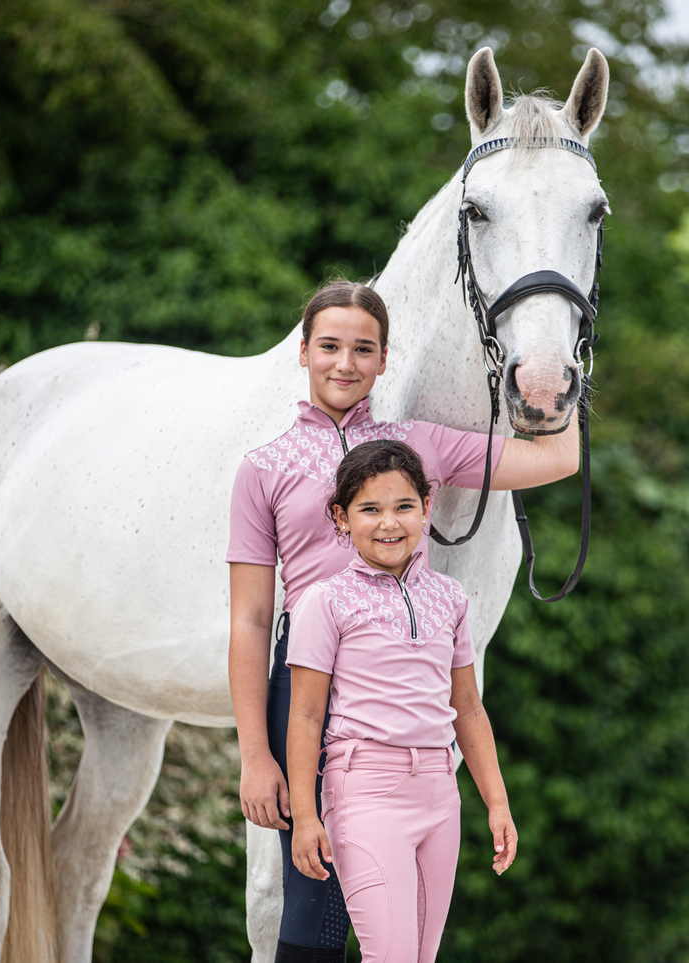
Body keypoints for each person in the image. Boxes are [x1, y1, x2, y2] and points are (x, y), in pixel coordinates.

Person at [226, 280, 574, 962]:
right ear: (302, 352)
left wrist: (562, 359)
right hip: (307, 690)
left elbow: (559, 458)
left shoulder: (417, 447)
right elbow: (249, 618)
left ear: (384, 359)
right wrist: (253, 755)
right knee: (313, 900)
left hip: (399, 697)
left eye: (363, 348)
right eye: (328, 345)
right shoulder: (261, 469)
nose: (345, 363)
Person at [285, 440, 516, 963]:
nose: (389, 523)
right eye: (370, 509)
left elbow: (469, 709)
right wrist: (304, 814)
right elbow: (305, 714)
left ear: (427, 508)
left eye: (403, 506)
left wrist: (497, 802)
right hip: (366, 793)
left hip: (440, 791)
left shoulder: (450, 597)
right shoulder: (325, 601)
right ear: (341, 518)